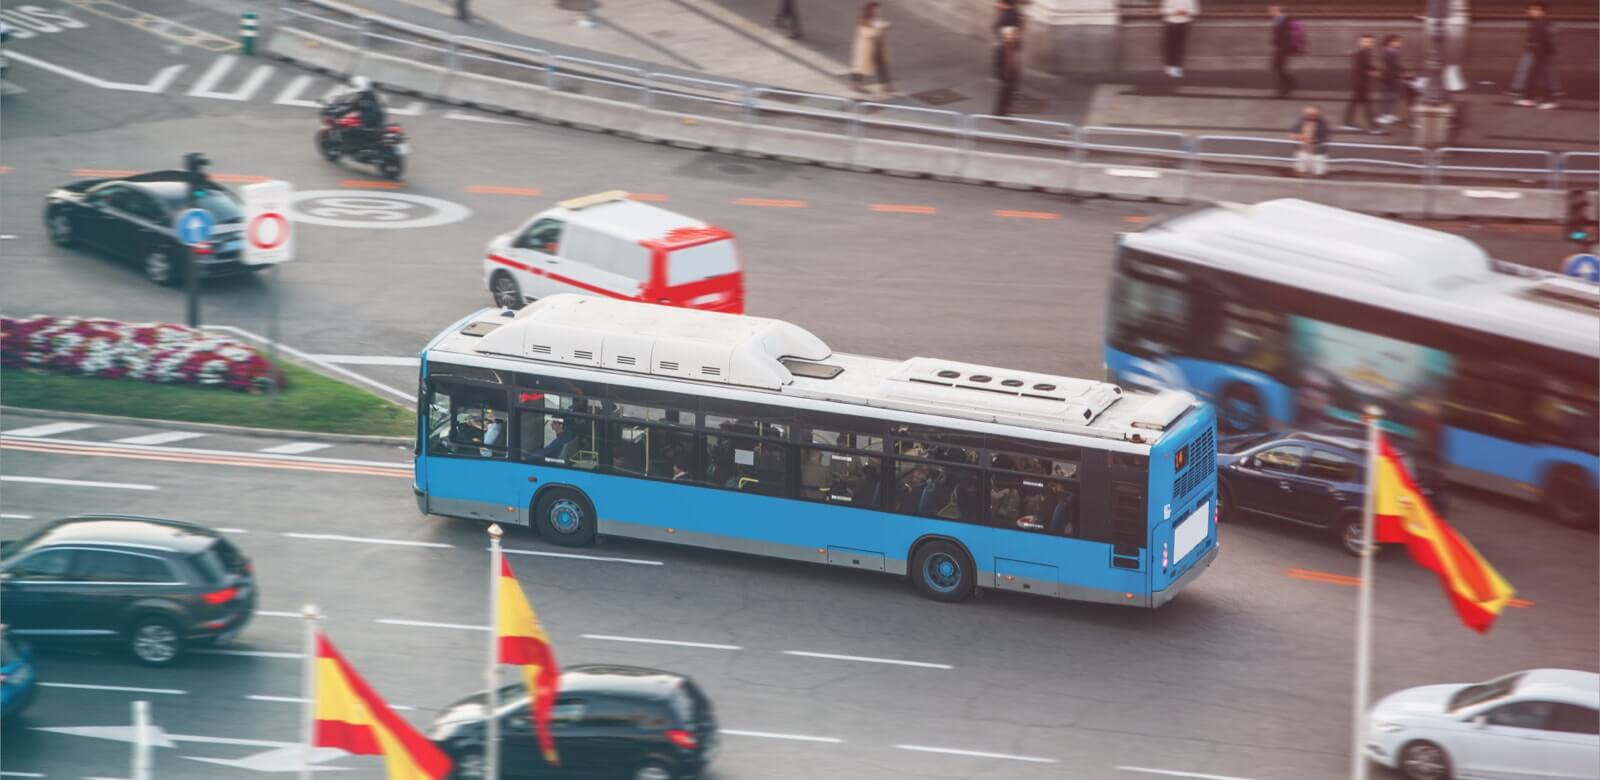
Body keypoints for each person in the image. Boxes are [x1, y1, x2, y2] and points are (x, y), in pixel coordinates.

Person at [1514, 2, 1558, 109]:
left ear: (1540, 10)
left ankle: (1549, 100)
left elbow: (1545, 40)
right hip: (1538, 53)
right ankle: (1530, 99)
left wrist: (1536, 49)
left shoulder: (1541, 23)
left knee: (1543, 77)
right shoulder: (1541, 22)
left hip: (1539, 53)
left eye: (1532, 9)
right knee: (1534, 76)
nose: (1528, 12)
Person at [849, 2, 894, 97]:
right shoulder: (863, 20)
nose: (878, 12)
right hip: (867, 49)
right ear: (870, 10)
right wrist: (879, 30)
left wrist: (884, 28)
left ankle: (886, 86)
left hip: (877, 48)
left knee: (882, 66)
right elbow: (867, 33)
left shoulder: (875, 20)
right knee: (860, 68)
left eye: (878, 10)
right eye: (876, 10)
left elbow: (879, 29)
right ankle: (854, 84)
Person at [1340, 34, 1379, 132]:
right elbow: (1360, 69)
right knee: (1367, 106)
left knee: (1356, 104)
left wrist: (1374, 69)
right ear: (1360, 42)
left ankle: (1347, 123)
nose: (1368, 43)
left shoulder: (1367, 53)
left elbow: (1368, 66)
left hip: (1361, 84)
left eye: (1370, 42)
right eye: (1366, 41)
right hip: (1360, 84)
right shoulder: (1359, 54)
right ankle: (1373, 126)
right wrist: (1371, 72)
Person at [1375, 35, 1409, 126]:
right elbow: (1392, 66)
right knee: (1386, 97)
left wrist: (1401, 71)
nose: (1400, 44)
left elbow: (1396, 65)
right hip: (1387, 78)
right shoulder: (1387, 52)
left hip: (1393, 77)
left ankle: (1389, 114)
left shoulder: (1394, 52)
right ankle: (1383, 115)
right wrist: (1401, 72)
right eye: (1398, 42)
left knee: (1392, 97)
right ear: (1391, 42)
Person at [1290, 105, 1329, 178]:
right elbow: (1293, 132)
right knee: (1301, 167)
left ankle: (1317, 180)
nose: (1309, 116)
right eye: (1307, 114)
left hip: (1317, 151)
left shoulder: (1323, 123)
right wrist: (1299, 137)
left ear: (1318, 114)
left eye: (1313, 115)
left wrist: (1312, 140)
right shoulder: (1301, 120)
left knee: (1318, 169)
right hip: (1302, 148)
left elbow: (1325, 137)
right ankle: (1301, 180)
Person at [1161, 0, 1197, 78]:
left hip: (1184, 24)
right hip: (1171, 23)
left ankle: (1176, 67)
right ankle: (1169, 65)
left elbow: (1195, 10)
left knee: (1179, 46)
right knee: (1169, 46)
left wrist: (1185, 12)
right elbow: (1163, 9)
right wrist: (1175, 12)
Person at [993, 26, 1023, 116]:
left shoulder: (1016, 44)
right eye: (1010, 34)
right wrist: (999, 78)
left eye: (1013, 34)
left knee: (1010, 94)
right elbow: (997, 64)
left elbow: (1017, 57)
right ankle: (999, 114)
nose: (1012, 36)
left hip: (1013, 74)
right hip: (1004, 76)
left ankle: (1006, 112)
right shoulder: (1001, 47)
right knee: (1003, 96)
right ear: (1005, 36)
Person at [1267, 4, 1296, 98]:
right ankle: (1289, 85)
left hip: (1283, 49)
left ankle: (1285, 89)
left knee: (1277, 67)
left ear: (1276, 10)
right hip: (1281, 48)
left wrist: (1282, 48)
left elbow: (1284, 37)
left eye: (1271, 10)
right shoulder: (1279, 20)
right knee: (1278, 67)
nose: (1269, 12)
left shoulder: (1283, 20)